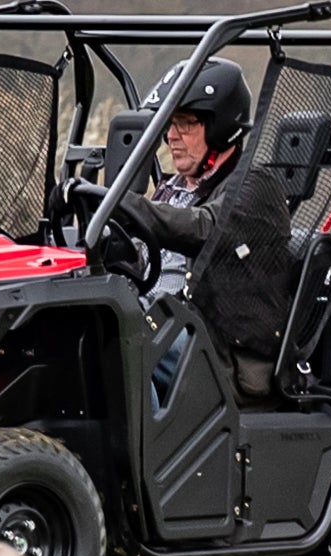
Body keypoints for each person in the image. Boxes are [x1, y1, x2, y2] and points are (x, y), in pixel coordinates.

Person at [121, 61, 294, 393]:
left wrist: (124, 204)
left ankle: (137, 427)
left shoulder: (255, 185)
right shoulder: (172, 188)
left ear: (220, 127)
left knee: (124, 347)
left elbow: (204, 228)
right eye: (170, 124)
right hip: (163, 320)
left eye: (186, 123)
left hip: (220, 352)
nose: (172, 137)